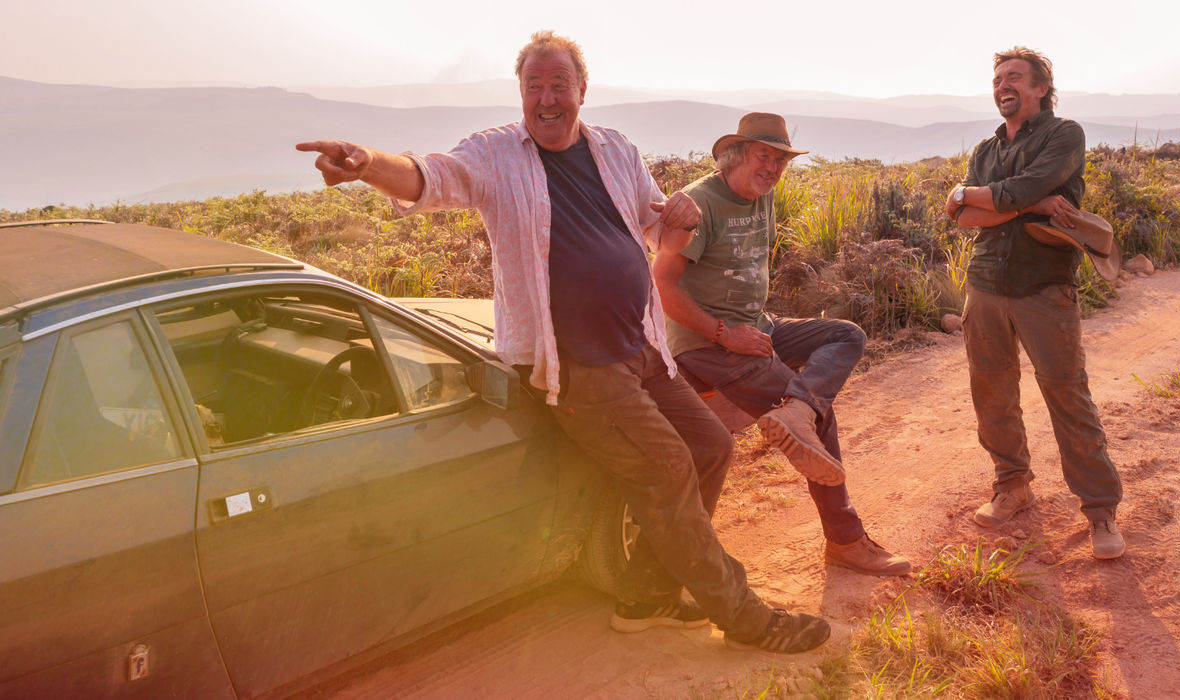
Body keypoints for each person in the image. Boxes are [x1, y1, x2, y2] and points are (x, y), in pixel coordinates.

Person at [297, 31, 832, 653]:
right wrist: (367, 164)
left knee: (712, 446)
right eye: (534, 87)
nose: (546, 99)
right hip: (579, 368)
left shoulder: (614, 149)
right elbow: (431, 178)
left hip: (642, 347)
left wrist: (677, 216)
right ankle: (745, 618)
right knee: (667, 468)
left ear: (582, 90)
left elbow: (652, 220)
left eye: (558, 86)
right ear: (521, 93)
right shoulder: (496, 154)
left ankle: (646, 594)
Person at [654, 113, 911, 577]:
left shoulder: (760, 199)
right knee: (822, 419)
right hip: (705, 343)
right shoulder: (700, 203)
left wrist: (754, 331)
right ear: (735, 155)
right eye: (763, 156)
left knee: (845, 335)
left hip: (756, 328)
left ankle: (796, 410)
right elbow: (663, 286)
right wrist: (723, 333)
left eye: (780, 160)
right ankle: (847, 541)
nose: (773, 168)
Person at [944, 47, 1125, 559]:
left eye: (1015, 77)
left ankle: (1100, 511)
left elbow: (1022, 187)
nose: (1004, 84)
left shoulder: (1064, 134)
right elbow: (960, 218)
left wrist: (985, 196)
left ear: (1041, 87)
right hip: (984, 285)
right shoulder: (985, 148)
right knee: (991, 392)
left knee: (1068, 396)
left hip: (1044, 286)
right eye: (998, 77)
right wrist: (1022, 204)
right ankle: (1012, 485)